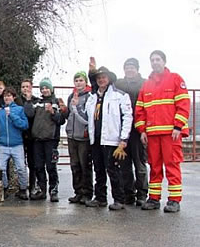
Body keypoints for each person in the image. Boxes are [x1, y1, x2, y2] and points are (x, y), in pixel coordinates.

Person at [135, 50, 189, 213]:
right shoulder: (147, 84)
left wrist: (178, 126)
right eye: (152, 60)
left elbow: (184, 104)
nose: (155, 62)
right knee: (155, 167)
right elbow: (140, 110)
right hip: (152, 134)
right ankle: (154, 198)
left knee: (172, 166)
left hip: (170, 134)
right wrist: (142, 130)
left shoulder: (175, 79)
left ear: (164, 61)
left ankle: (174, 200)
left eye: (158, 59)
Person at [85, 65, 132, 211]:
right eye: (98, 78)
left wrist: (123, 139)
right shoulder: (92, 98)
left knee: (113, 170)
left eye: (104, 77)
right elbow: (86, 116)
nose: (101, 80)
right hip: (96, 139)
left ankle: (119, 199)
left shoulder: (120, 95)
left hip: (112, 140)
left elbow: (128, 117)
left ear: (109, 79)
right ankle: (100, 198)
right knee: (98, 169)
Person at [114, 58, 148, 206]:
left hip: (138, 129)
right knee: (124, 164)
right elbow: (101, 84)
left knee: (140, 163)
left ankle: (142, 193)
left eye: (132, 67)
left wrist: (144, 129)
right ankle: (129, 193)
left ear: (137, 69)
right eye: (127, 67)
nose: (129, 70)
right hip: (122, 131)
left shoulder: (144, 83)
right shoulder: (119, 84)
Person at [24, 78, 63, 202]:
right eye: (42, 88)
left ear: (51, 88)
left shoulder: (56, 102)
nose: (45, 90)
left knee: (51, 166)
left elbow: (61, 120)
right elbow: (29, 114)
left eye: (47, 87)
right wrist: (28, 100)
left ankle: (53, 190)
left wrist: (53, 112)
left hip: (51, 140)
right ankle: (42, 190)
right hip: (37, 140)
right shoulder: (37, 102)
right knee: (38, 166)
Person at [0, 87, 29, 199]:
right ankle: (5, 188)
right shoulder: (0, 111)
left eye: (9, 95)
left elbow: (24, 125)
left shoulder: (19, 110)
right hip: (2, 145)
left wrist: (11, 115)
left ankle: (23, 189)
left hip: (17, 144)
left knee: (21, 168)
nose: (7, 98)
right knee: (1, 168)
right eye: (5, 96)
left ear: (14, 97)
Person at [64, 71, 93, 204]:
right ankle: (78, 192)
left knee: (85, 165)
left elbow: (88, 117)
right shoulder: (71, 96)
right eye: (76, 80)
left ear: (85, 82)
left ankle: (87, 193)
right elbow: (69, 114)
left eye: (81, 80)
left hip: (83, 137)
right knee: (74, 165)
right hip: (71, 135)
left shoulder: (89, 96)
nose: (78, 83)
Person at [16, 79, 38, 197]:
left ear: (31, 87)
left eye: (27, 86)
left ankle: (33, 185)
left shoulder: (35, 101)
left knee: (32, 162)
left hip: (32, 135)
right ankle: (22, 187)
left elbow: (32, 115)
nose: (25, 89)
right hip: (19, 135)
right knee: (20, 163)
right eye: (23, 87)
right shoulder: (17, 100)